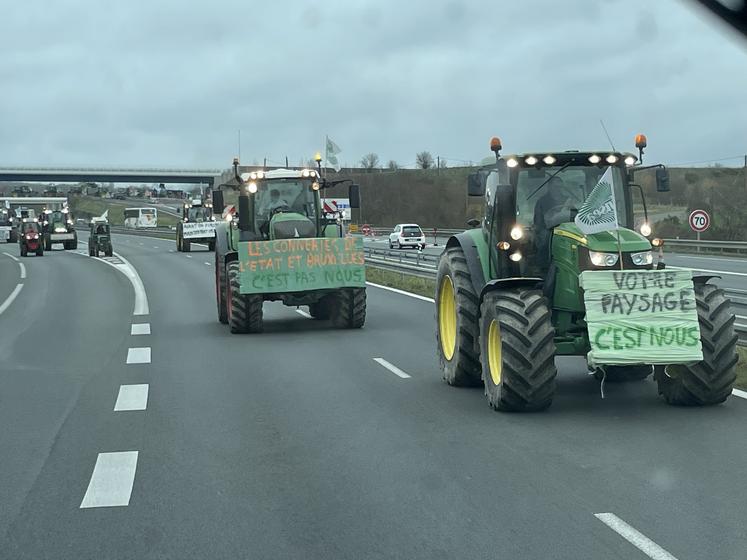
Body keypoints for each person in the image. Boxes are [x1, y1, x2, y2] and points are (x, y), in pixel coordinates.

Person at [533, 176, 572, 272]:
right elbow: (538, 221)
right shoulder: (542, 201)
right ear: (549, 187)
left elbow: (574, 215)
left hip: (567, 229)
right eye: (555, 187)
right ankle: (543, 265)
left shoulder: (567, 200)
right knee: (545, 238)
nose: (557, 189)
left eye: (559, 187)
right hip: (548, 228)